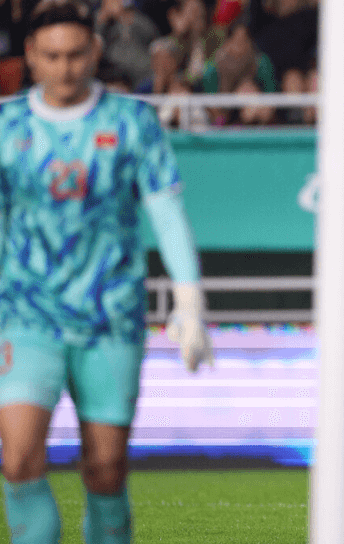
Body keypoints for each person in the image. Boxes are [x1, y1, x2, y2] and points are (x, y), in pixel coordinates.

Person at [0, 1, 212, 543]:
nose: (65, 68)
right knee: (18, 458)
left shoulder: (132, 122)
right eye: (52, 57)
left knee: (106, 469)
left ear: (94, 51)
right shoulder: (6, 126)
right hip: (25, 317)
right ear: (31, 56)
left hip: (111, 318)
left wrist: (190, 302)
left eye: (75, 55)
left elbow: (166, 212)